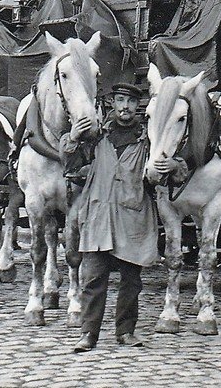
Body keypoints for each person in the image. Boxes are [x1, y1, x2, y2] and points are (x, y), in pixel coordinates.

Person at [68, 83, 157, 353]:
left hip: (133, 218)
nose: (125, 107)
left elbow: (167, 170)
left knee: (132, 280)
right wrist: (72, 139)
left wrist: (173, 165)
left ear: (137, 106)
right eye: (120, 100)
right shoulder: (96, 137)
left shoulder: (148, 139)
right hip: (98, 216)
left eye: (131, 102)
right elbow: (70, 166)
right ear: (112, 104)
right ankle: (88, 333)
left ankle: (125, 331)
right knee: (93, 278)